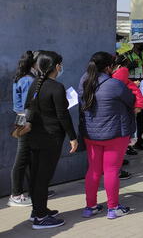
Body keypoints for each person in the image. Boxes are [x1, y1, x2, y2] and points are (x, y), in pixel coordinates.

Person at [78, 52, 136, 220]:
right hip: (114, 134)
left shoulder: (84, 80)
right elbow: (130, 101)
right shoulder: (114, 84)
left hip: (91, 133)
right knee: (111, 170)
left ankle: (90, 207)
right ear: (108, 67)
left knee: (93, 170)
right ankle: (113, 208)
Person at [24, 51, 78, 229]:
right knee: (43, 178)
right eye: (60, 64)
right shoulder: (56, 87)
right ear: (56, 66)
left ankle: (38, 210)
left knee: (36, 176)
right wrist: (73, 137)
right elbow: (63, 116)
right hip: (51, 138)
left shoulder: (34, 86)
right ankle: (40, 218)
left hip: (34, 138)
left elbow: (28, 111)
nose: (61, 67)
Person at [9, 51, 37, 207]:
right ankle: (16, 193)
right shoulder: (27, 80)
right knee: (22, 158)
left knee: (28, 156)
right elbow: (30, 104)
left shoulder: (22, 77)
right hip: (25, 118)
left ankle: (34, 189)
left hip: (21, 117)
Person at [122, 34, 143, 151]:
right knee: (132, 116)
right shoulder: (127, 56)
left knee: (142, 115)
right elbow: (120, 72)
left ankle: (139, 140)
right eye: (142, 42)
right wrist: (129, 67)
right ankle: (129, 144)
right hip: (132, 86)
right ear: (136, 43)